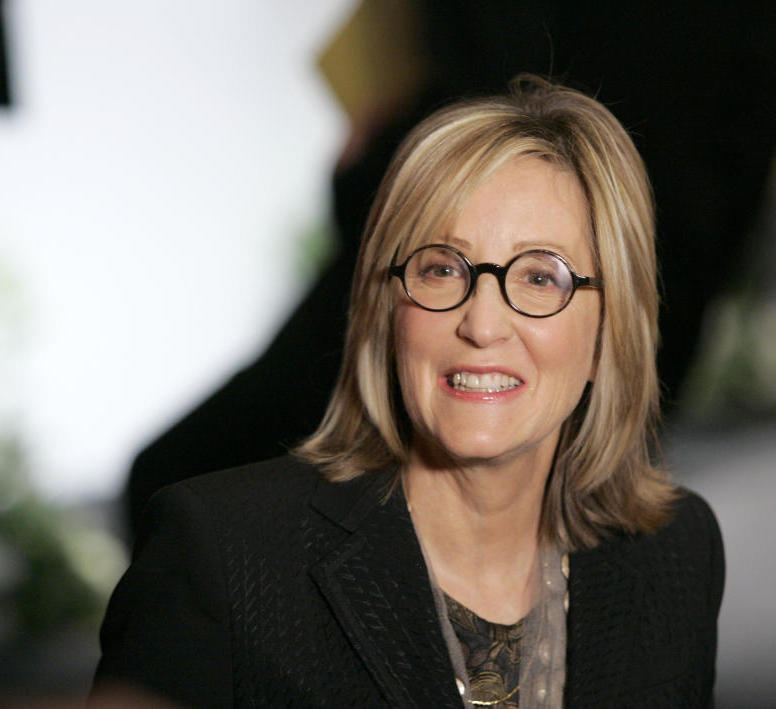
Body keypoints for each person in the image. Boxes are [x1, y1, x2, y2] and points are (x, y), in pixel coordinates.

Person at [92, 76, 724, 708]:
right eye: (443, 267)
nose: (481, 324)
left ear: (610, 328)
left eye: (540, 276)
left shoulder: (675, 554)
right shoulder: (219, 559)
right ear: (386, 306)